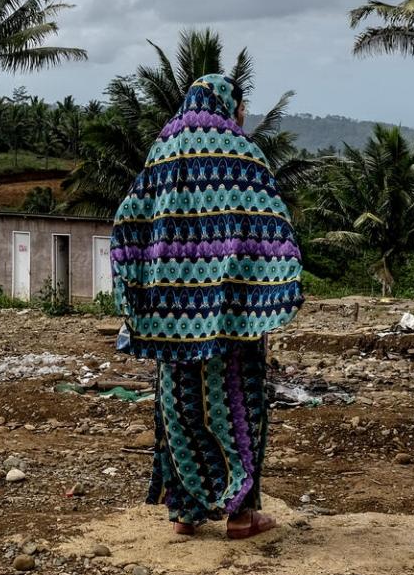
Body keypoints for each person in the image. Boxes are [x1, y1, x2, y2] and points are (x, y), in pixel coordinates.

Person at [110, 73, 304, 538]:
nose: (242, 114)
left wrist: (147, 285)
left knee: (178, 408)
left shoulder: (163, 151)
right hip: (234, 313)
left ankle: (184, 514)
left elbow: (127, 222)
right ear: (229, 104)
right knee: (237, 404)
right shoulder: (242, 153)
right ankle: (240, 515)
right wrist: (269, 288)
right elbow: (272, 225)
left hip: (171, 316)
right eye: (241, 106)